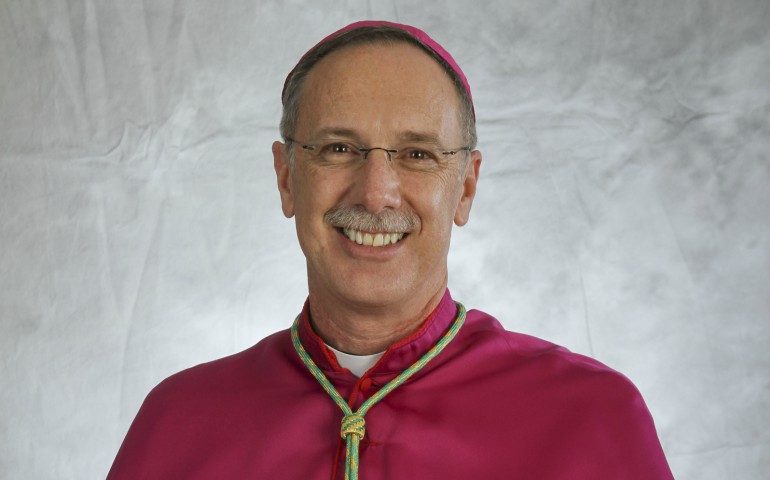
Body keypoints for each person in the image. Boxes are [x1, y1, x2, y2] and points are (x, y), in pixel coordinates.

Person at [107, 20, 674, 479]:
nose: (376, 193)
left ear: (466, 188)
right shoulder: (180, 419)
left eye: (417, 155)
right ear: (286, 178)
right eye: (338, 147)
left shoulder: (589, 416)